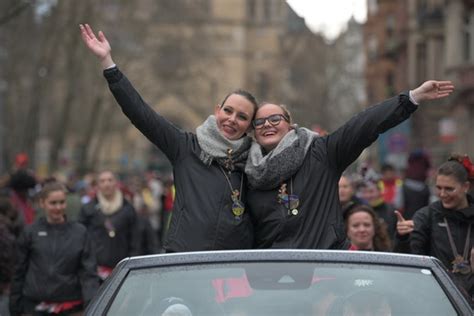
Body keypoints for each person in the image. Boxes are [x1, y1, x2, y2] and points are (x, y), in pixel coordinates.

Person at [80, 24, 258, 252]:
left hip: (232, 267)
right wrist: (108, 64)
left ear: (250, 126)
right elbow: (141, 114)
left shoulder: (255, 163)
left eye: (242, 117)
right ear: (217, 110)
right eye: (228, 111)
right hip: (184, 259)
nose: (232, 119)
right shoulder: (186, 147)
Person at [245, 80, 454, 249]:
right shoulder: (246, 170)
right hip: (268, 273)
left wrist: (410, 99)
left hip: (322, 268)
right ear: (253, 131)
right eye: (259, 122)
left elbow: (363, 124)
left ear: (289, 125)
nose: (267, 125)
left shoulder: (321, 153)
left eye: (275, 118)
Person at [9, 181, 99, 316]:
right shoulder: (30, 232)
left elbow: (89, 273)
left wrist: (92, 306)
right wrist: (15, 306)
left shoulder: (80, 232)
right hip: (35, 308)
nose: (58, 207)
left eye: (62, 202)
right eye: (53, 203)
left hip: (71, 308)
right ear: (42, 203)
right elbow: (19, 271)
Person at [395, 156, 474, 301]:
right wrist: (403, 237)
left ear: (466, 187)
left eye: (449, 189)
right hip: (437, 298)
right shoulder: (426, 216)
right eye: (439, 188)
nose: (442, 194)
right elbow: (411, 263)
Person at [78, 170, 140, 281]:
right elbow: (81, 239)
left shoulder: (128, 208)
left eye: (110, 180)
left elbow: (135, 239)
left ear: (116, 183)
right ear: (97, 185)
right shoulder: (88, 208)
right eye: (102, 181)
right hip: (95, 271)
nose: (106, 184)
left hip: (122, 269)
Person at [399, 149, 432, 220]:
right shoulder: (426, 188)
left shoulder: (403, 187)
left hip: (407, 222)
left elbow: (398, 206)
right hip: (423, 222)